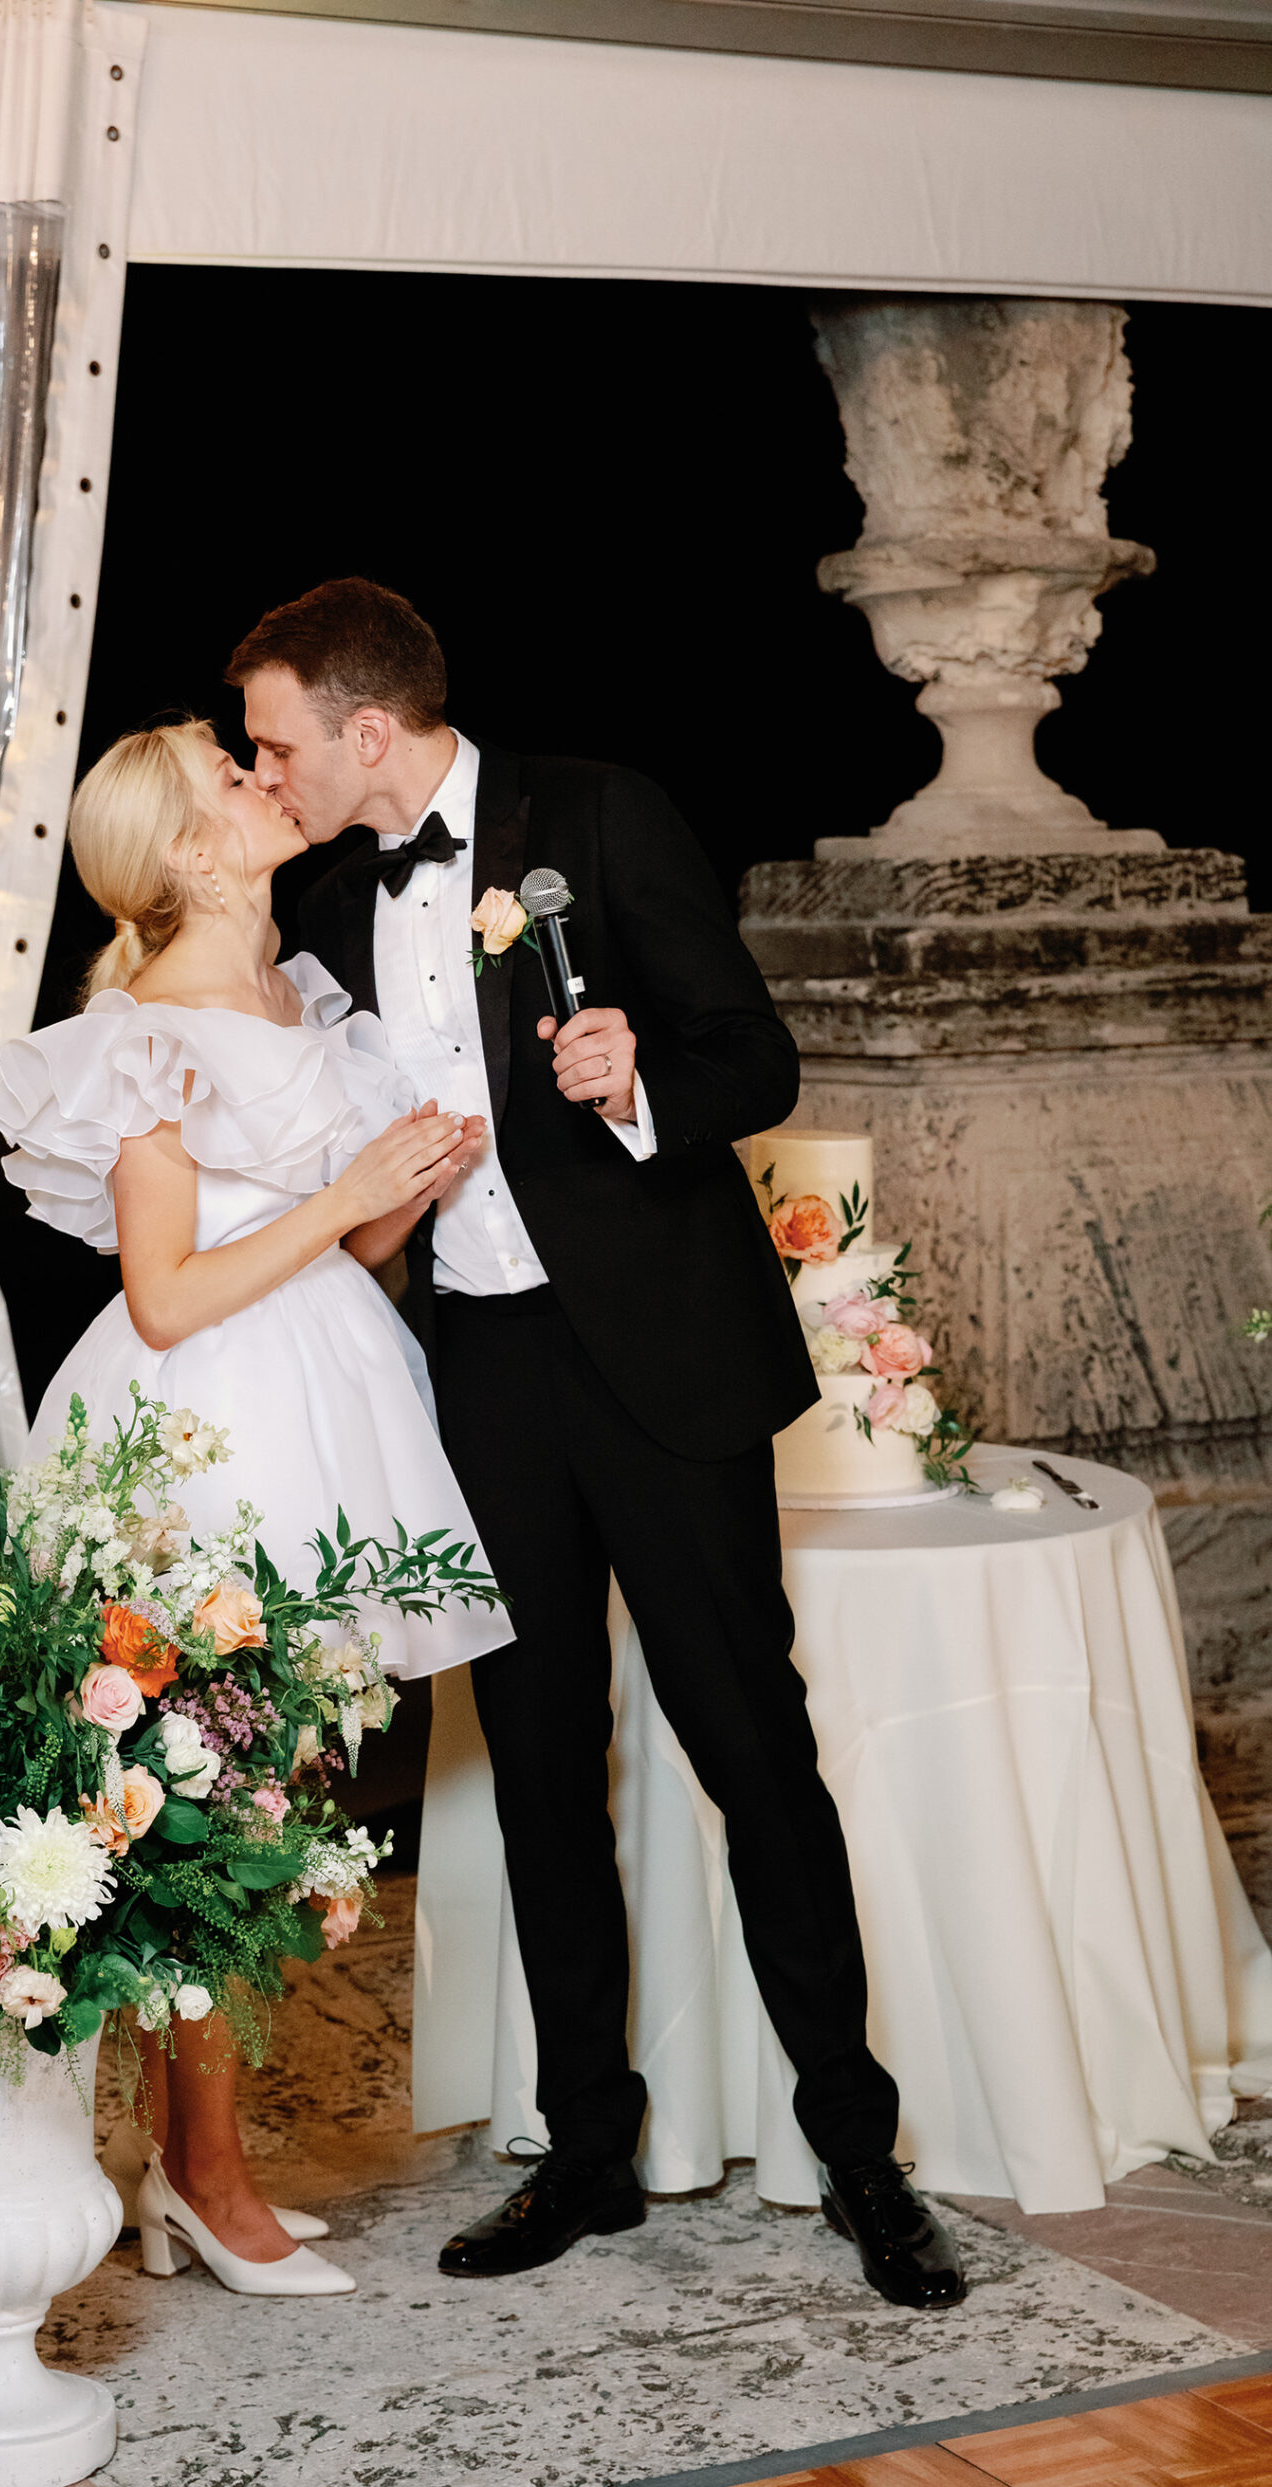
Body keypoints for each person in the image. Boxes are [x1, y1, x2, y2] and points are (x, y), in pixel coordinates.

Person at [228, 578, 964, 2311]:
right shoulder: (326, 904)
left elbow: (755, 1057)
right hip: (479, 1373)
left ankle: (862, 2157)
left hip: (663, 1359)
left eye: (274, 743)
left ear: (367, 730)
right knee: (539, 1768)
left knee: (753, 1753)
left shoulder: (600, 812)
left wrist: (641, 1082)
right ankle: (586, 2154)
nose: (263, 773)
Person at [0, 716, 512, 2300]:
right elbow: (162, 1294)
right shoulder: (146, 1036)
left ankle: (188, 2167)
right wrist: (345, 1197)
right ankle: (207, 2182)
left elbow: (345, 1254)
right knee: (215, 1810)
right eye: (230, 776)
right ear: (189, 853)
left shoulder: (303, 1001)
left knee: (263, 1798)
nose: (263, 778)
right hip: (203, 1429)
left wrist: (405, 1186)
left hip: (326, 1396)